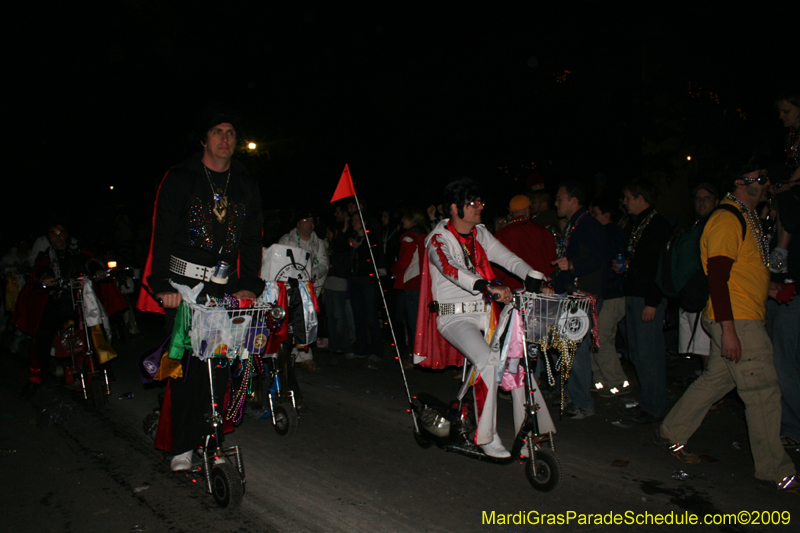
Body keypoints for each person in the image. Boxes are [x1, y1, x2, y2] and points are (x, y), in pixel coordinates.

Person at [655, 155, 797, 493]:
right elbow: (717, 278)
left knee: (716, 381)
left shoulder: (745, 216)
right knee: (762, 392)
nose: (765, 182)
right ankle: (776, 470)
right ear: (739, 182)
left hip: (740, 312)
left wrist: (772, 290)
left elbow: (740, 273)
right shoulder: (727, 218)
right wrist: (730, 329)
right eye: (759, 177)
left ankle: (671, 433)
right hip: (737, 319)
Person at [138, 112, 265, 472]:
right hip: (182, 288)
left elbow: (253, 239)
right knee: (186, 367)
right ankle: (181, 445)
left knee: (220, 367)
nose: (225, 139)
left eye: (231, 133)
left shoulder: (245, 182)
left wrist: (250, 285)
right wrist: (162, 286)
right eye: (217, 132)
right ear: (204, 139)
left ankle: (210, 442)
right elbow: (161, 235)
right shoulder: (181, 177)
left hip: (224, 289)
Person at [415, 178, 534, 458]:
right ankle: (485, 435)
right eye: (472, 202)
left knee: (517, 363)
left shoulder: (480, 233)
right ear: (455, 208)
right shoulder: (437, 239)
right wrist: (487, 286)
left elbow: (509, 259)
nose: (480, 206)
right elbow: (451, 269)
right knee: (489, 363)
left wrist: (538, 279)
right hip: (455, 318)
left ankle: (526, 437)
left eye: (480, 201)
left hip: (486, 314)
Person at [15, 224, 103, 392]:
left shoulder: (76, 253)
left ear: (67, 235)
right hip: (56, 304)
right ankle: (39, 376)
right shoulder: (45, 256)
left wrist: (97, 270)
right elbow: (40, 270)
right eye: (53, 233)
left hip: (80, 303)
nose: (57, 236)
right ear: (48, 237)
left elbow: (88, 262)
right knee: (42, 336)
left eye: (61, 232)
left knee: (96, 329)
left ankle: (97, 369)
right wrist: (45, 278)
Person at [616, 179, 673, 424]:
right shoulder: (640, 223)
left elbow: (659, 266)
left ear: (641, 198)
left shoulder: (658, 225)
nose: (625, 203)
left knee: (649, 353)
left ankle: (655, 406)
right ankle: (648, 400)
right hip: (635, 294)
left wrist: (653, 300)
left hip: (647, 299)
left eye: (628, 197)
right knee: (638, 352)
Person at [550, 182, 606, 419]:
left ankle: (583, 403)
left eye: (560, 198)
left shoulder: (588, 225)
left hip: (583, 296)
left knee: (576, 348)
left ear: (573, 200)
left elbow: (600, 255)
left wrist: (573, 265)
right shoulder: (575, 224)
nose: (556, 203)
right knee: (566, 347)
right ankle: (575, 396)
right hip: (573, 295)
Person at [589, 196, 632, 398]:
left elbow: (613, 265)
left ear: (606, 215)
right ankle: (602, 382)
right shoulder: (603, 234)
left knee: (602, 339)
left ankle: (617, 382)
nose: (592, 217)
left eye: (595, 213)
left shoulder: (612, 235)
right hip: (603, 295)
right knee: (596, 338)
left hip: (612, 295)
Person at [278, 210, 328, 371]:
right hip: (290, 288)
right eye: (305, 220)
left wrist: (313, 274)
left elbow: (323, 264)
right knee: (291, 321)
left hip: (310, 289)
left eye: (311, 220)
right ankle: (290, 353)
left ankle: (305, 356)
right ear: (298, 223)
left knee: (307, 321)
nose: (309, 224)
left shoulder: (318, 243)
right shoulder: (287, 240)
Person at [678, 184, 719, 368]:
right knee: (701, 350)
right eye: (698, 198)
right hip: (692, 296)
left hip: (707, 296)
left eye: (707, 198)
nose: (701, 202)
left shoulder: (718, 223)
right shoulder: (695, 226)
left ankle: (712, 392)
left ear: (716, 201)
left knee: (708, 349)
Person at [493, 194, 556, 290]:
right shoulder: (545, 232)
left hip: (514, 292)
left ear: (510, 212)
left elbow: (496, 270)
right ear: (528, 210)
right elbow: (553, 264)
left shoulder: (501, 234)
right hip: (543, 290)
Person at [391, 207, 428, 368]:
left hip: (412, 283)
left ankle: (417, 358)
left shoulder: (409, 238)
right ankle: (422, 355)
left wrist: (393, 269)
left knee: (413, 323)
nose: (402, 221)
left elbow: (404, 262)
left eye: (405, 218)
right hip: (425, 282)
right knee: (421, 322)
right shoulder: (427, 236)